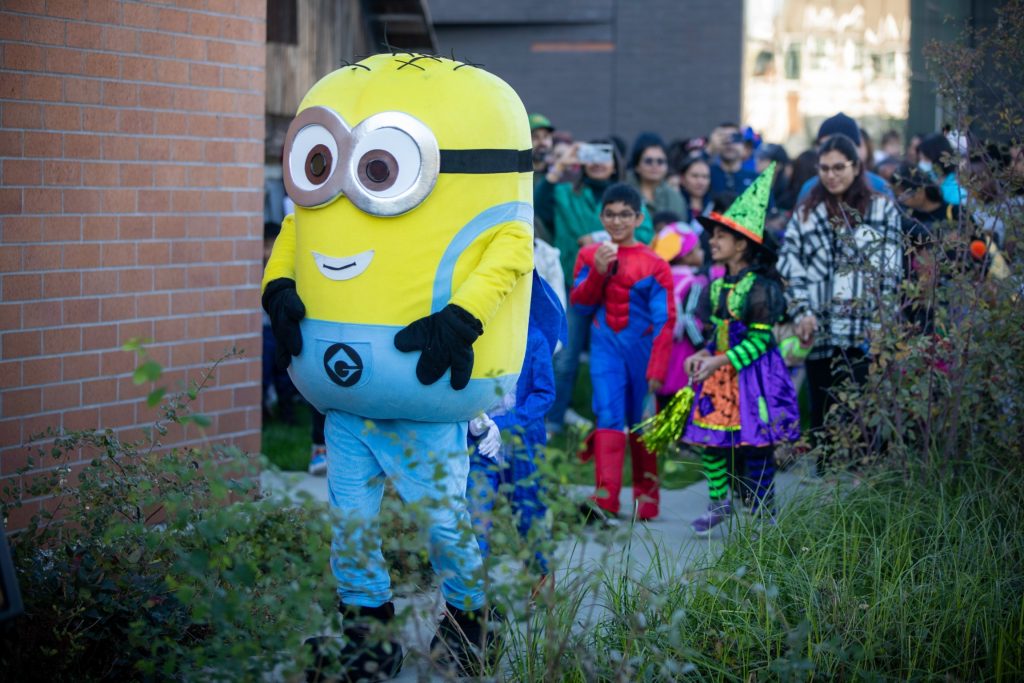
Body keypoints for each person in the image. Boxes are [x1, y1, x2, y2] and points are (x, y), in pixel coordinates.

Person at [679, 163, 801, 534]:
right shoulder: (717, 285)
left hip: (753, 378)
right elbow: (717, 330)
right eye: (712, 235)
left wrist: (719, 360)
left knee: (755, 444)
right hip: (721, 376)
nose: (711, 242)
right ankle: (720, 501)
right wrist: (702, 355)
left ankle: (764, 510)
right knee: (712, 440)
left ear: (742, 244)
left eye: (720, 236)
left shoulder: (761, 287)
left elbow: (762, 339)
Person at [778, 134, 903, 476]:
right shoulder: (808, 210)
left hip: (863, 327)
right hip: (817, 326)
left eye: (839, 168)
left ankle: (863, 492)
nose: (831, 175)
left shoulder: (880, 207)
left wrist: (882, 325)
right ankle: (826, 495)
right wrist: (801, 310)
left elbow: (889, 272)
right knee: (823, 408)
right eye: (824, 168)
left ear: (856, 166)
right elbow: (790, 265)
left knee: (863, 409)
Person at [572, 183, 676, 522]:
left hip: (643, 350)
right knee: (609, 416)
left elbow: (665, 319)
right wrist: (598, 273)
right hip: (605, 347)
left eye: (625, 215)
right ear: (601, 217)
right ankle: (606, 499)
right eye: (611, 214)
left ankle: (648, 499)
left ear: (638, 218)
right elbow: (581, 304)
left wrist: (658, 367)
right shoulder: (589, 255)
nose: (617, 221)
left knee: (643, 423)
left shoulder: (656, 264)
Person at [537, 141, 654, 434]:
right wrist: (561, 165)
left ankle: (625, 423)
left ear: (616, 163)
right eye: (591, 155)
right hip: (574, 285)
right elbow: (535, 205)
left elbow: (647, 231)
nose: (598, 162)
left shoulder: (631, 198)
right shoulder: (565, 193)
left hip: (620, 290)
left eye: (606, 156)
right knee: (565, 357)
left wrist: (600, 238)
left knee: (622, 357)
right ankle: (553, 420)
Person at [467, 271, 566, 591]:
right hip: (479, 441)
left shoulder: (534, 338)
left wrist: (506, 424)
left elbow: (544, 394)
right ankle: (472, 593)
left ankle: (540, 573)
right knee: (474, 511)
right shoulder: (475, 339)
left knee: (528, 507)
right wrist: (470, 415)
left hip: (521, 442)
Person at [650, 223, 707, 411]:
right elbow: (689, 319)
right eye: (698, 248)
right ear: (687, 255)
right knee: (684, 396)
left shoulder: (660, 279)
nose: (702, 253)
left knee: (663, 397)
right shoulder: (695, 282)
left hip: (661, 347)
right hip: (685, 348)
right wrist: (702, 345)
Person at [795, 113, 893, 204]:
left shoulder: (878, 188)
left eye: (839, 146)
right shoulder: (810, 189)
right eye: (824, 146)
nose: (831, 176)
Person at [627, 132, 686, 217]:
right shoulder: (623, 190)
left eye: (660, 161)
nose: (655, 166)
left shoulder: (675, 198)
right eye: (648, 161)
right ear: (637, 166)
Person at [708, 122, 758, 195]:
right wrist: (709, 149)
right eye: (723, 138)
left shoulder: (756, 179)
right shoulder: (705, 175)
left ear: (743, 145)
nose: (729, 143)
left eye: (735, 137)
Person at [917, 133, 966, 206]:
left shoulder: (956, 192)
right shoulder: (927, 181)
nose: (921, 163)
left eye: (925, 159)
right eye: (921, 158)